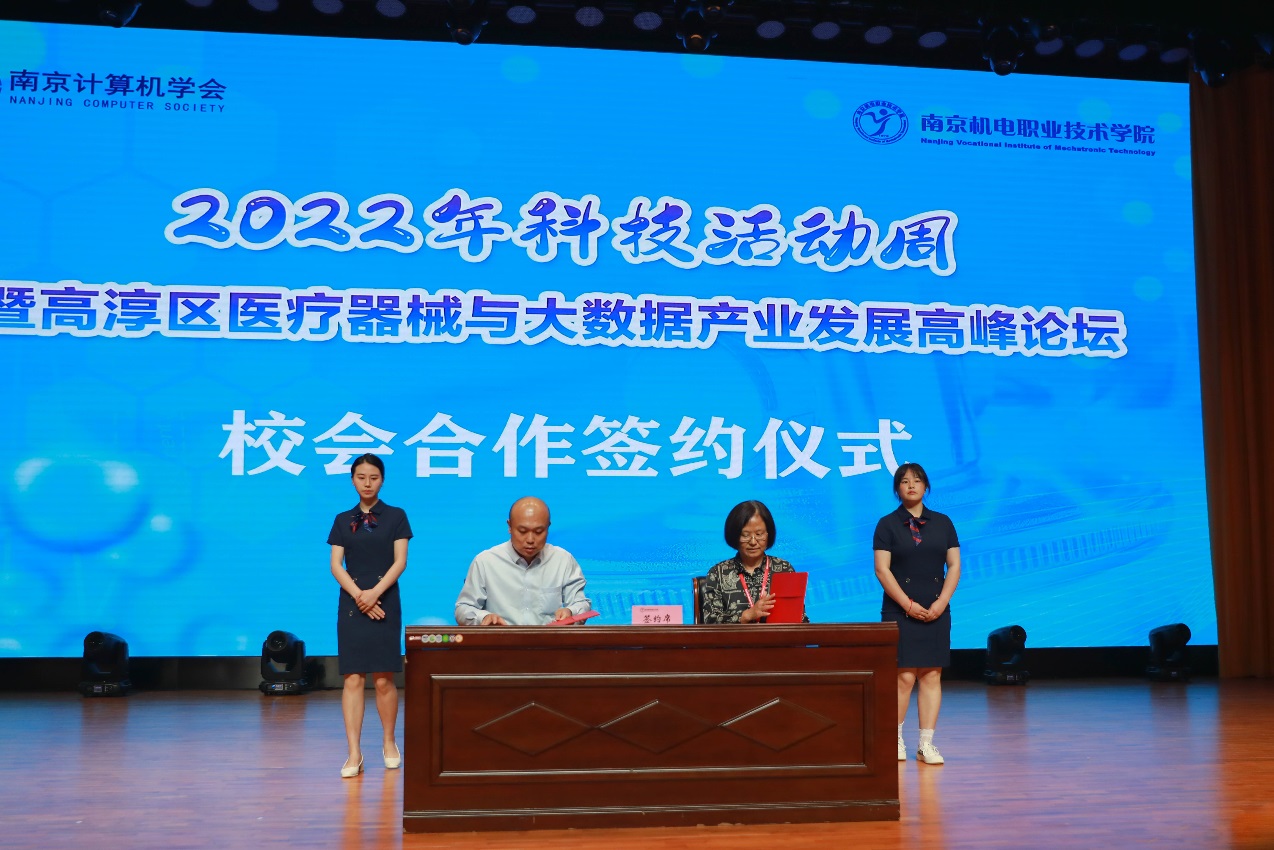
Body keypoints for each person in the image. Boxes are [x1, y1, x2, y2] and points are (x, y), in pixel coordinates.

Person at [327, 453, 412, 778]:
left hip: (385, 600)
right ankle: (354, 753)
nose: (367, 483)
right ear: (352, 480)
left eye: (373, 477)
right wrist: (360, 596)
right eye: (361, 477)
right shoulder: (341, 519)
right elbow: (336, 565)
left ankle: (389, 742)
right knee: (352, 678)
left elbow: (400, 562)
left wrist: (374, 593)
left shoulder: (396, 516)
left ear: (382, 480)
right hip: (352, 603)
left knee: (383, 678)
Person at [873, 462, 961, 766]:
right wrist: (907, 605)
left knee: (932, 675)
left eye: (917, 480)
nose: (911, 485)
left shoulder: (943, 523)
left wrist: (942, 602)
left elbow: (954, 566)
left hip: (936, 608)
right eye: (905, 481)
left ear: (926, 486)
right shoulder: (887, 524)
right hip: (900, 610)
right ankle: (895, 738)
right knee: (904, 676)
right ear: (897, 489)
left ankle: (926, 744)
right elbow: (882, 570)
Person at [455, 496, 591, 626]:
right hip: (501, 640)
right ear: (509, 526)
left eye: (538, 531)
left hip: (549, 640)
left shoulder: (563, 560)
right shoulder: (485, 562)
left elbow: (581, 603)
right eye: (522, 531)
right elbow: (463, 608)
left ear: (548, 527)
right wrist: (483, 617)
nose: (530, 540)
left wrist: (570, 612)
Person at [701, 499, 808, 624]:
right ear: (734, 536)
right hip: (735, 637)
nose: (753, 542)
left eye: (759, 534)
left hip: (776, 637)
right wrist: (747, 615)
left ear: (768, 534)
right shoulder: (718, 573)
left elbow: (800, 619)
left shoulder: (784, 569)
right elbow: (710, 621)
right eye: (745, 535)